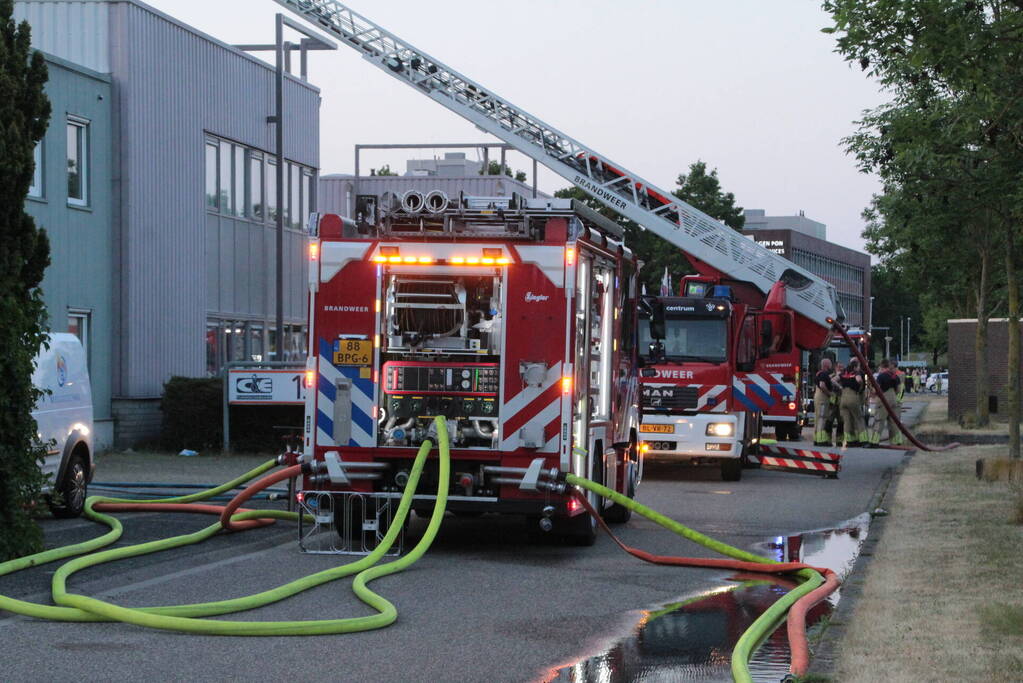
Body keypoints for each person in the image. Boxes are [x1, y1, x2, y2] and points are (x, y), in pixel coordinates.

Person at [873, 360, 904, 446]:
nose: (879, 370)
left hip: (883, 400)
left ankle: (874, 441)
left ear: (883, 367)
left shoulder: (881, 376)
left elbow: (877, 389)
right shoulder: (895, 376)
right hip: (893, 399)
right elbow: (898, 390)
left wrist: (873, 393)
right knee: (893, 422)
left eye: (879, 368)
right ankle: (896, 441)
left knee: (879, 420)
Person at [838, 360, 867, 447]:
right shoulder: (856, 373)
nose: (859, 368)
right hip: (853, 397)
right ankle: (864, 440)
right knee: (859, 419)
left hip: (843, 398)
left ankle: (849, 440)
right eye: (858, 366)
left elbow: (833, 380)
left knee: (847, 421)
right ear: (855, 367)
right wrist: (861, 386)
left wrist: (840, 387)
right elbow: (859, 380)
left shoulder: (843, 373)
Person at [813, 358, 835, 446]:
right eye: (830, 364)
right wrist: (829, 393)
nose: (831, 366)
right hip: (823, 398)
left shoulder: (819, 373)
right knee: (822, 418)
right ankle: (821, 440)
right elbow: (822, 385)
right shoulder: (824, 374)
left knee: (818, 419)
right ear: (826, 365)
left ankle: (817, 439)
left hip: (817, 397)